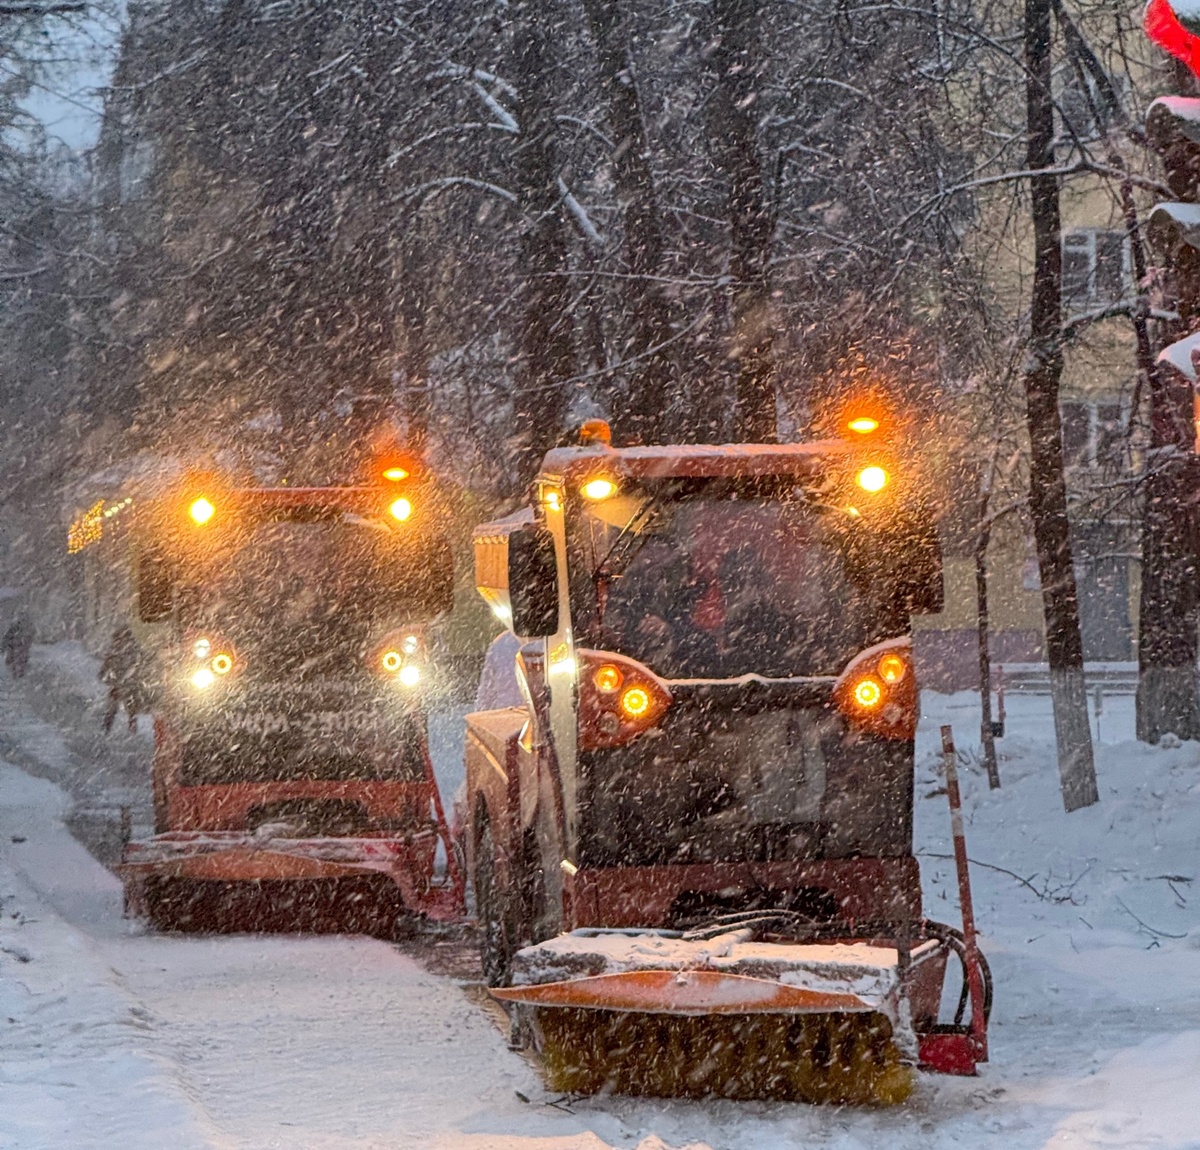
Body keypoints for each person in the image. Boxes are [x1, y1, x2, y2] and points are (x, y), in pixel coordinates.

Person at [100, 625, 144, 733]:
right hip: (118, 684)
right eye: (118, 639)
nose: (119, 642)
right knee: (112, 707)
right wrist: (106, 676)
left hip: (130, 685)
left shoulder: (134, 652)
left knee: (131, 708)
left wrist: (128, 678)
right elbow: (106, 665)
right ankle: (106, 728)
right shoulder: (114, 652)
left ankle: (131, 728)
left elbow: (136, 666)